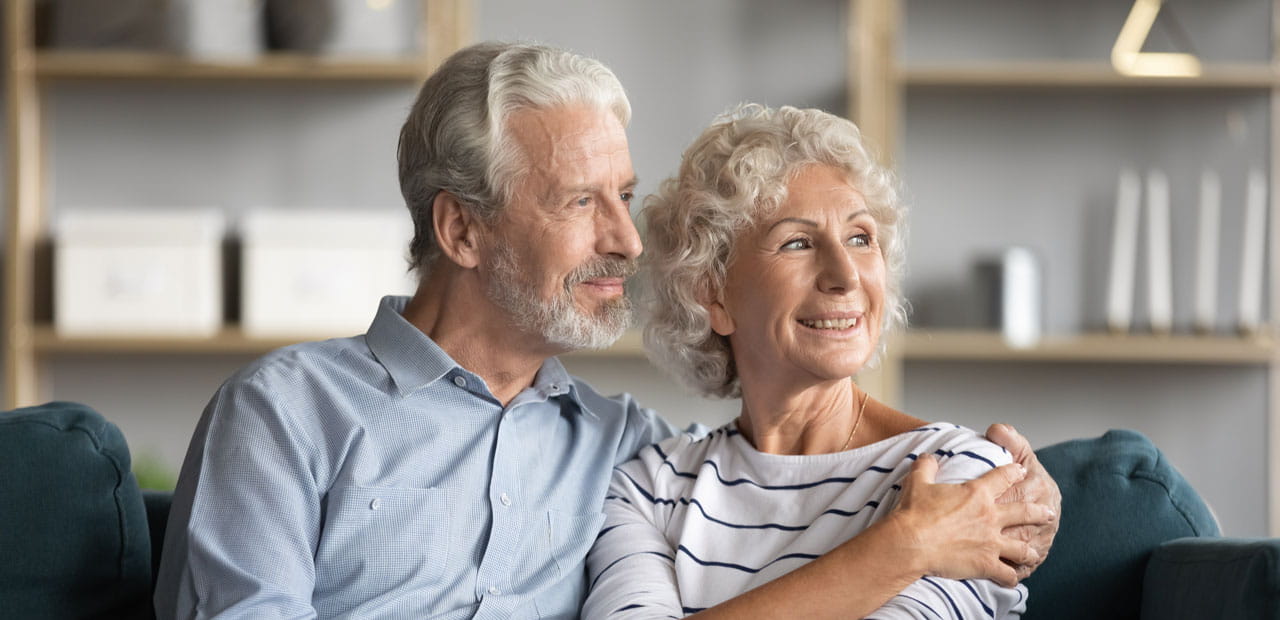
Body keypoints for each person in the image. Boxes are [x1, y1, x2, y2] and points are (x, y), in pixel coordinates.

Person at [154, 42, 1059, 619]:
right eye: (582, 203)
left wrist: (1019, 493)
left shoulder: (626, 450)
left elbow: (783, 460)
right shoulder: (283, 416)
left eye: (623, 199)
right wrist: (904, 548)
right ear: (461, 230)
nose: (627, 242)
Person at [584, 103, 1053, 619]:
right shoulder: (650, 489)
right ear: (712, 294)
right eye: (798, 243)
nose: (845, 275)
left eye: (860, 238)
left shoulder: (963, 479)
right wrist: (904, 544)